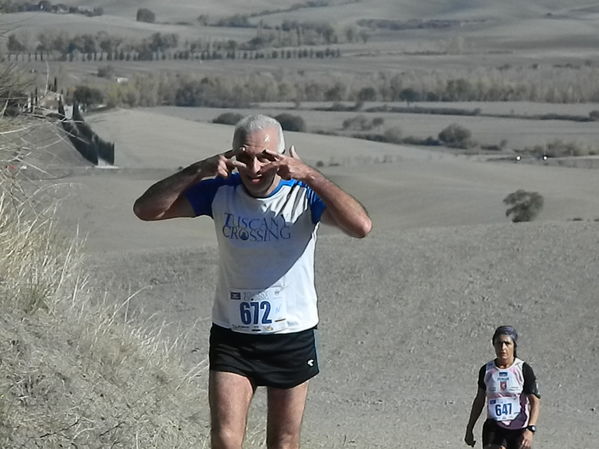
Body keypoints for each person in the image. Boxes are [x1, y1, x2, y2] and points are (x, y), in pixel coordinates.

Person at [133, 114, 372, 449]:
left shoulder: (303, 193)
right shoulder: (220, 190)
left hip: (291, 335)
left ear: (282, 156)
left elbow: (361, 226)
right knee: (226, 440)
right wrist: (197, 170)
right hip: (233, 337)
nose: (254, 167)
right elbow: (146, 209)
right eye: (244, 157)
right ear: (232, 155)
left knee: (284, 442)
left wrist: (311, 175)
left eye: (266, 157)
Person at [464, 325, 541, 449]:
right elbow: (479, 400)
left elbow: (535, 402)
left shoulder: (523, 369)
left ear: (514, 346)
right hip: (494, 427)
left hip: (519, 429)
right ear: (493, 345)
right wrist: (470, 428)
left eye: (507, 343)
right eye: (499, 343)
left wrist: (530, 429)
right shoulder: (486, 370)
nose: (503, 348)